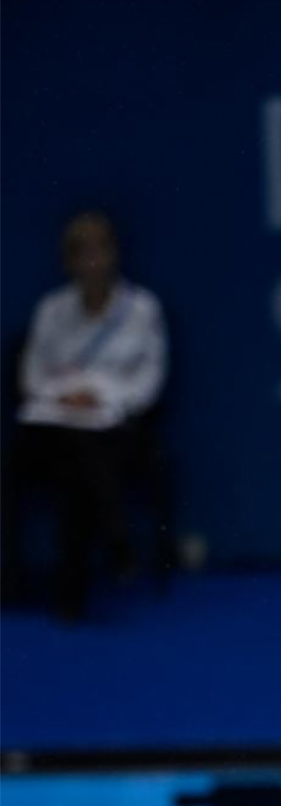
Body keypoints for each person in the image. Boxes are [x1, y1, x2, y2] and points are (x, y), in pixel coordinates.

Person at [3, 211, 169, 620]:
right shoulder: (51, 309)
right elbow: (32, 376)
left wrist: (98, 396)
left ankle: (73, 587)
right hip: (50, 428)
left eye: (101, 249)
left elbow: (150, 379)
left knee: (80, 465)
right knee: (64, 459)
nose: (93, 259)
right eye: (82, 252)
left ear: (115, 254)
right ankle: (114, 543)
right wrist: (67, 397)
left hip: (113, 430)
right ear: (68, 260)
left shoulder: (142, 309)